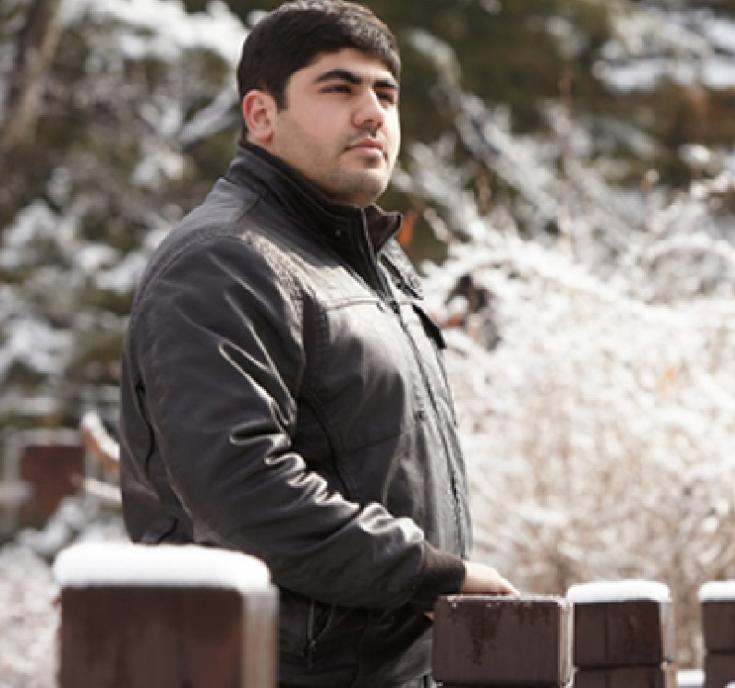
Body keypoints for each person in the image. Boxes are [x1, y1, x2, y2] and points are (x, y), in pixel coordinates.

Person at [117, 1, 517, 686]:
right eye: (339, 88)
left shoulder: (369, 260)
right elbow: (240, 485)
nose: (372, 112)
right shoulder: (224, 260)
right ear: (261, 115)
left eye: (385, 92)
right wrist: (428, 574)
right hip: (271, 669)